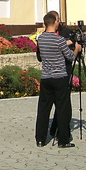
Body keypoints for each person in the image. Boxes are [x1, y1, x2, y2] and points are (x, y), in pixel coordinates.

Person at [35, 11, 81, 148]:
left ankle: (40, 139)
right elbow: (71, 57)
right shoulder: (59, 40)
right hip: (60, 77)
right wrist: (77, 49)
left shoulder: (41, 38)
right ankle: (63, 140)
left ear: (44, 23)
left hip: (46, 77)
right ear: (55, 22)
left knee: (43, 109)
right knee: (62, 108)